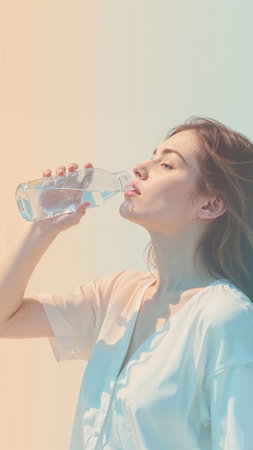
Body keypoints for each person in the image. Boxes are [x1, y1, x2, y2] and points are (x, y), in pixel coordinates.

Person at [1, 116, 253, 450]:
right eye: (152, 155)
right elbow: (6, 318)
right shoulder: (116, 296)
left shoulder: (225, 317)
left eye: (166, 164)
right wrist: (43, 227)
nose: (139, 167)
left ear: (211, 204)